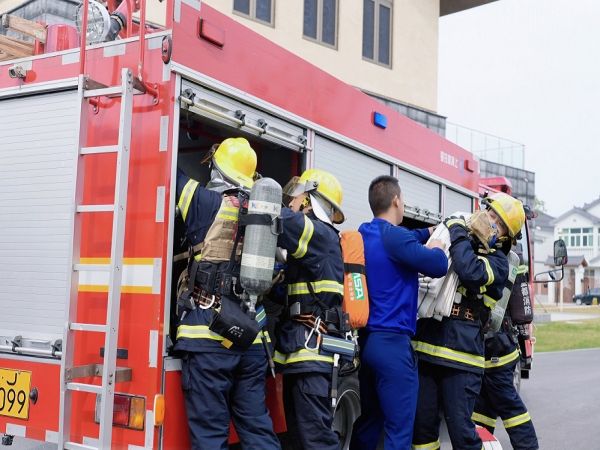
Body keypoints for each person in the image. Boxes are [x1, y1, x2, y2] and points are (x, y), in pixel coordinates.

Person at [174, 137, 280, 450]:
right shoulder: (265, 216)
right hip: (251, 338)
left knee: (210, 434)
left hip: (208, 336)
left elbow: (168, 172)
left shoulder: (204, 203)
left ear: (218, 170)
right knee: (257, 429)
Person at [412, 192, 526, 450]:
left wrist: (456, 229)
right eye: (491, 213)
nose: (490, 220)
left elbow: (470, 270)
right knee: (422, 433)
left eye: (499, 222)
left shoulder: (499, 263)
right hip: (426, 347)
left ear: (506, 238)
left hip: (462, 357)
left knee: (462, 435)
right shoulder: (455, 238)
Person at [349, 175, 449, 450]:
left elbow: (403, 239)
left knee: (370, 422)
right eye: (403, 199)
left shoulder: (365, 233)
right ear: (396, 200)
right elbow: (438, 265)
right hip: (393, 346)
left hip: (368, 344)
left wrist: (427, 231)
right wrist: (438, 245)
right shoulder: (395, 237)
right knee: (399, 431)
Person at [273, 168, 346, 450]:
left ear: (308, 199)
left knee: (316, 440)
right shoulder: (317, 242)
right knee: (298, 440)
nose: (291, 200)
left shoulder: (320, 234)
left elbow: (283, 219)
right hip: (302, 353)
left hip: (312, 354)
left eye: (296, 195)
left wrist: (254, 194)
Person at [472, 262, 539, 450]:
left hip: (495, 351)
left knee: (509, 406)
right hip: (497, 347)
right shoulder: (510, 261)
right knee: (483, 409)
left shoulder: (492, 261)